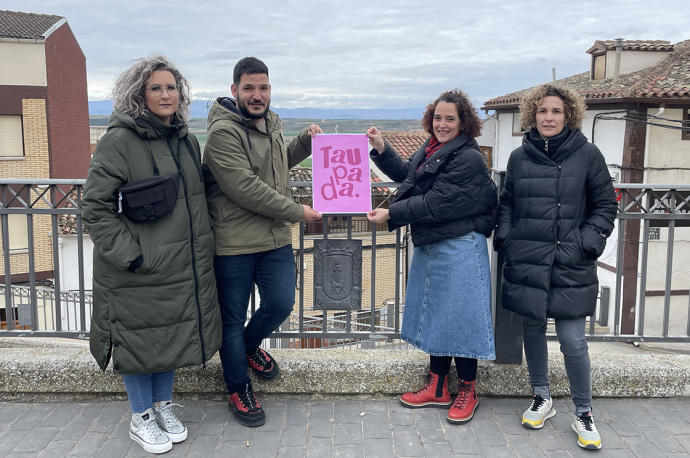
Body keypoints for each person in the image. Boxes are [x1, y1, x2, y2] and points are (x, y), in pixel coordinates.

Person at [82, 56, 221, 454]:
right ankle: (140, 416)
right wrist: (133, 255)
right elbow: (95, 207)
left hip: (177, 267)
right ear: (139, 94)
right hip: (137, 269)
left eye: (171, 87)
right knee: (138, 344)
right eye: (156, 88)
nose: (165, 94)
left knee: (168, 339)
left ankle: (162, 407)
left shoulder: (184, 140)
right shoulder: (119, 141)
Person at [494, 84, 617, 450]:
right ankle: (542, 396)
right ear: (534, 114)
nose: (548, 117)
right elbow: (508, 203)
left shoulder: (588, 155)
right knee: (532, 329)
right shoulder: (520, 157)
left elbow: (605, 206)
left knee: (572, 340)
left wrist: (588, 242)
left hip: (571, 261)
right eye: (543, 111)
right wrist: (507, 237)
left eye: (556, 112)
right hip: (529, 258)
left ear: (569, 116)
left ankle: (583, 411)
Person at [202, 57, 323, 427]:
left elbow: (274, 166)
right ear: (234, 89)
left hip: (273, 239)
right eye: (249, 88)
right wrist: (296, 212)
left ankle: (249, 349)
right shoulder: (223, 133)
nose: (257, 95)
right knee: (232, 321)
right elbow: (245, 187)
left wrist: (303, 142)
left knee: (281, 303)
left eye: (263, 88)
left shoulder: (271, 122)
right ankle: (238, 387)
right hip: (234, 243)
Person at [366, 89, 497, 425]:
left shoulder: (467, 157)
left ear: (463, 122)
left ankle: (468, 388)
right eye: (437, 117)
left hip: (460, 245)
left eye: (449, 118)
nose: (441, 124)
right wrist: (380, 148)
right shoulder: (433, 148)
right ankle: (437, 386)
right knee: (439, 314)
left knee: (462, 318)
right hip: (436, 242)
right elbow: (409, 175)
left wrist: (390, 214)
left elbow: (434, 202)